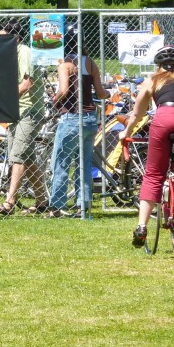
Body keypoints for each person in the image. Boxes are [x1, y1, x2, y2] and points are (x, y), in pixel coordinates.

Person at [118, 46, 174, 247]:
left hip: (166, 118)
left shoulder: (152, 81)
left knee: (154, 174)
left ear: (158, 65)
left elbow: (138, 112)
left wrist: (126, 132)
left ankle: (142, 227)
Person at [47, 34, 109, 217]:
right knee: (84, 163)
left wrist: (55, 99)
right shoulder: (90, 63)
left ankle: (57, 206)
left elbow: (64, 90)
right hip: (90, 119)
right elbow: (100, 92)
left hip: (72, 118)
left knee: (61, 162)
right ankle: (83, 205)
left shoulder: (65, 64)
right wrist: (108, 93)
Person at [0, 18, 48, 215]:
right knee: (27, 157)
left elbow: (26, 84)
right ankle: (42, 200)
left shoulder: (24, 52)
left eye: (2, 38)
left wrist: (3, 101)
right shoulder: (7, 54)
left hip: (30, 112)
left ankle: (10, 202)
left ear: (15, 38)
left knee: (18, 156)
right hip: (15, 112)